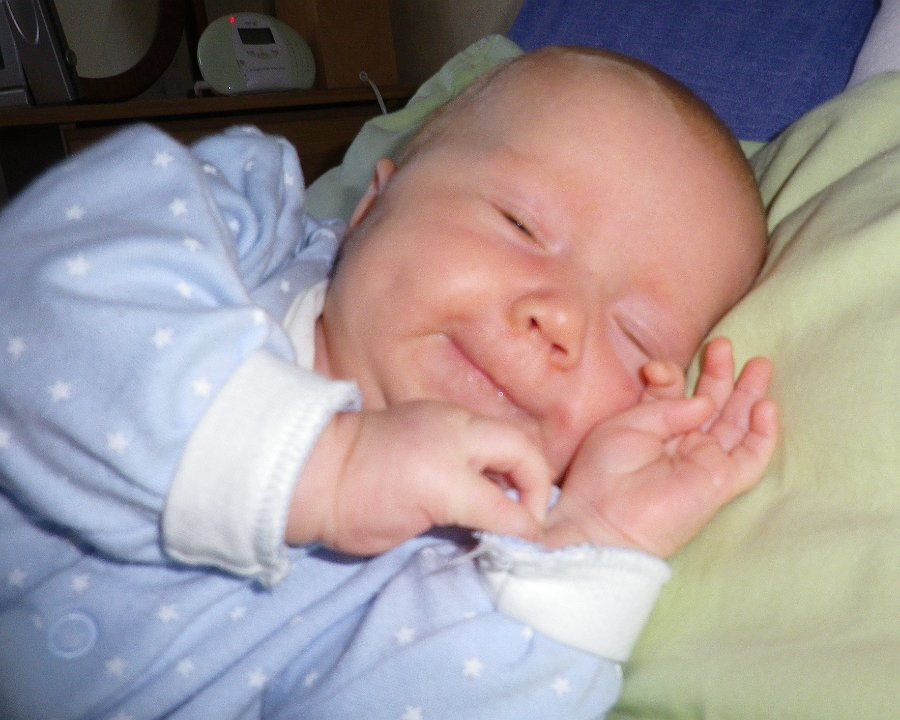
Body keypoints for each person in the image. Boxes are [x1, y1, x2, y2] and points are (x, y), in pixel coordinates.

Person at [0, 47, 777, 719]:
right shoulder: (238, 234)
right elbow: (41, 290)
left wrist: (591, 545)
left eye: (636, 334)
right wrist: (321, 464)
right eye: (521, 224)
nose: (562, 318)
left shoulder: (489, 557)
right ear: (372, 206)